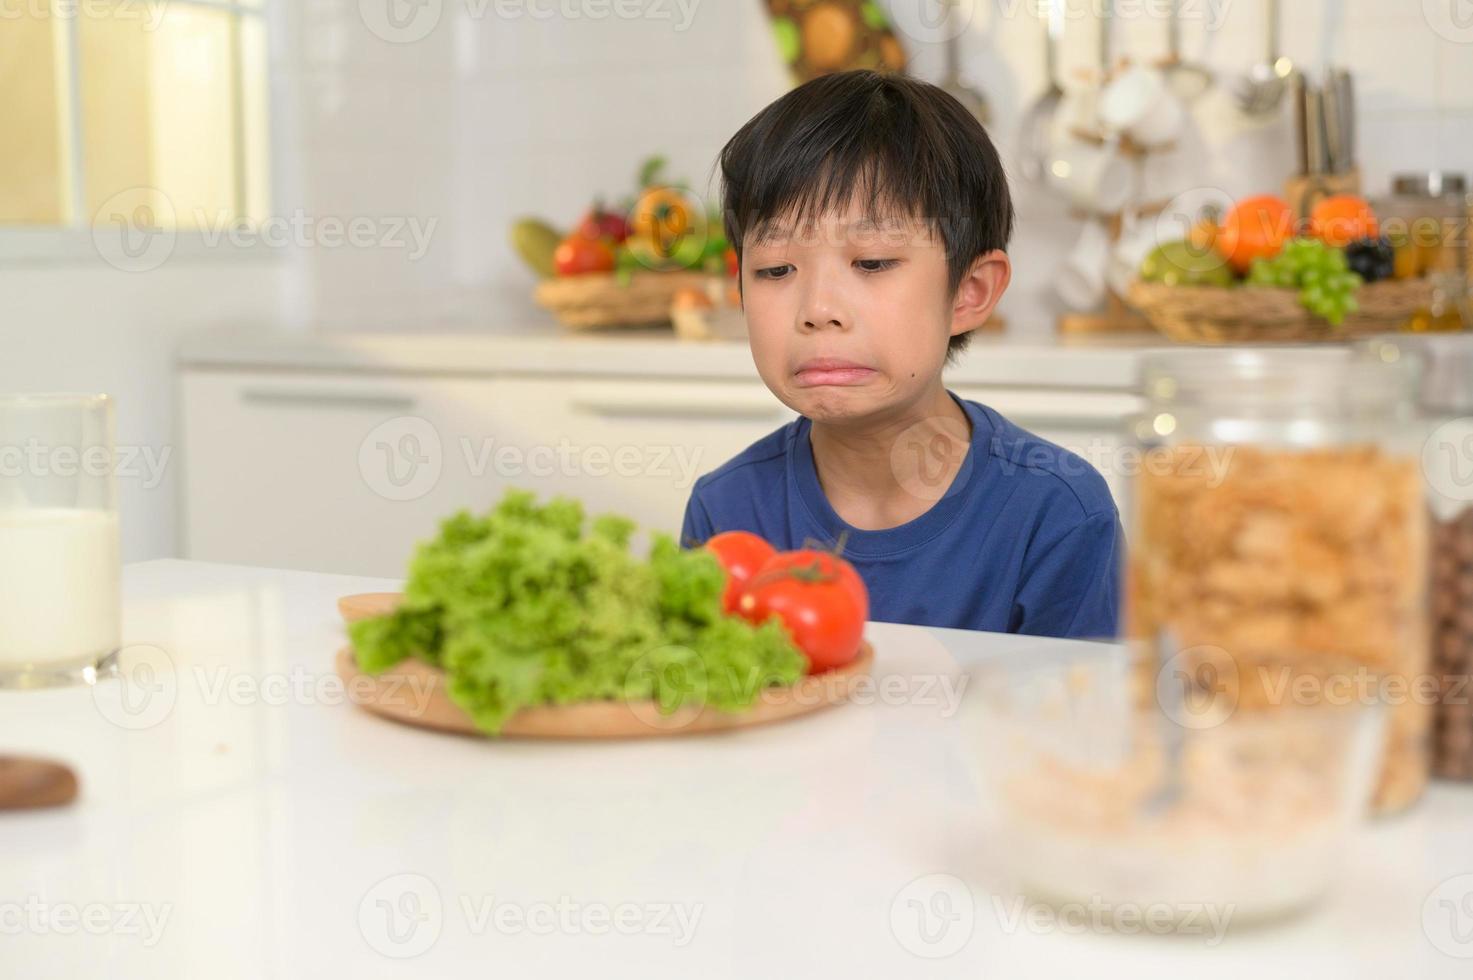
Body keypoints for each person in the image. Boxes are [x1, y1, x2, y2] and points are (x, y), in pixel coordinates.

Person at [679, 70, 1123, 639]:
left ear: (970, 291)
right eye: (775, 269)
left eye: (872, 263)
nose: (817, 309)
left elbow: (1082, 720)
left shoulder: (1057, 514)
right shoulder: (727, 510)